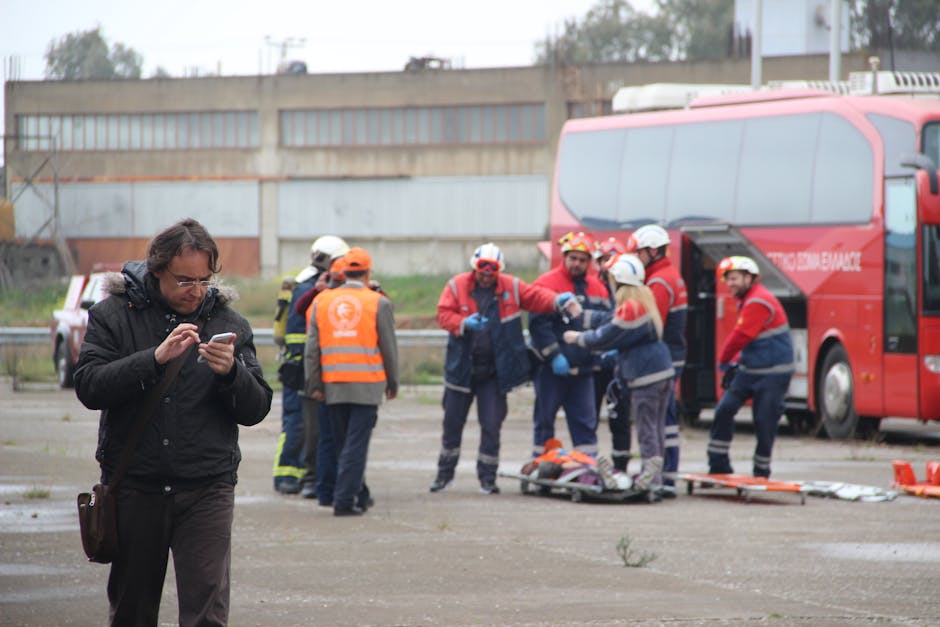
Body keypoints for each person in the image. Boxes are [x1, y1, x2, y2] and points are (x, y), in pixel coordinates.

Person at [73, 218, 273, 626]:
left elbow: (257, 409)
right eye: (184, 281)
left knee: (206, 615)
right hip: (135, 486)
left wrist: (231, 374)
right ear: (157, 268)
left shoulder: (228, 324)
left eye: (204, 280)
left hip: (207, 488)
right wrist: (153, 359)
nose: (196, 291)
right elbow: (89, 387)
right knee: (132, 611)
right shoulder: (114, 314)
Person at [430, 243, 569, 494]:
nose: (486, 276)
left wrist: (557, 301)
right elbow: (442, 314)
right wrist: (462, 323)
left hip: (494, 373)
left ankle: (487, 479)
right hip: (461, 370)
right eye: (482, 271)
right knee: (452, 426)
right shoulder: (456, 286)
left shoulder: (511, 287)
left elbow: (536, 297)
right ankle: (444, 476)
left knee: (492, 426)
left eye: (491, 272)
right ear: (474, 268)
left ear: (498, 271)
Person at [563, 254, 674, 497]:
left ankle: (651, 478)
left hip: (646, 378)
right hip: (662, 372)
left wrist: (577, 338)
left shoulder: (631, 308)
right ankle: (656, 474)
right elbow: (609, 318)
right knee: (656, 428)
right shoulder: (642, 301)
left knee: (646, 430)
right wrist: (580, 314)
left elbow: (607, 335)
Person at [304, 247, 399, 516]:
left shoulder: (323, 301)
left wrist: (315, 385)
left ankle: (358, 493)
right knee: (355, 446)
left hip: (333, 383)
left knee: (343, 444)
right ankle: (345, 500)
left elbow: (312, 350)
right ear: (368, 273)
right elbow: (388, 348)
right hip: (367, 385)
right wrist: (393, 382)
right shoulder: (378, 302)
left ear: (343, 273)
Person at [273, 235, 350, 497]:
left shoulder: (321, 286)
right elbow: (296, 331)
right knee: (296, 423)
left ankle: (309, 475)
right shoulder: (304, 286)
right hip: (299, 366)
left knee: (315, 425)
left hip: (314, 365)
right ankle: (285, 473)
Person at [708, 256, 794, 478]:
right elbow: (752, 340)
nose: (730, 284)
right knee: (724, 410)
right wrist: (737, 362)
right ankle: (718, 465)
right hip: (751, 371)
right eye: (728, 280)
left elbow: (741, 336)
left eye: (734, 278)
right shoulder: (748, 300)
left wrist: (724, 360)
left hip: (772, 375)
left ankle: (761, 472)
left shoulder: (758, 301)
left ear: (749, 277)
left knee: (764, 423)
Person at [529, 231, 611, 457]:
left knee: (586, 424)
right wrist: (554, 355)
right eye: (573, 258)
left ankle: (587, 470)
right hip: (551, 370)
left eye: (582, 260)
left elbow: (605, 323)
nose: (577, 264)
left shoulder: (598, 288)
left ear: (589, 262)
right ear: (564, 257)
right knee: (544, 423)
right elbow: (538, 325)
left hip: (584, 370)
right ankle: (541, 468)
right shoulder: (546, 283)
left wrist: (603, 351)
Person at [632, 224, 688, 497]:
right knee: (667, 420)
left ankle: (664, 478)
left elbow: (652, 326)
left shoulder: (659, 282)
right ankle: (667, 476)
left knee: (660, 420)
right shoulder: (669, 275)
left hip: (663, 360)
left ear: (652, 251)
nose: (637, 257)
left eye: (639, 252)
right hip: (673, 356)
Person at [593, 236, 633, 472]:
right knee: (589, 419)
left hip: (619, 367)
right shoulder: (593, 285)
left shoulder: (628, 289)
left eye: (610, 259)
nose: (605, 265)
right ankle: (591, 466)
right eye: (602, 260)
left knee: (620, 419)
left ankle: (621, 467)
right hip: (595, 364)